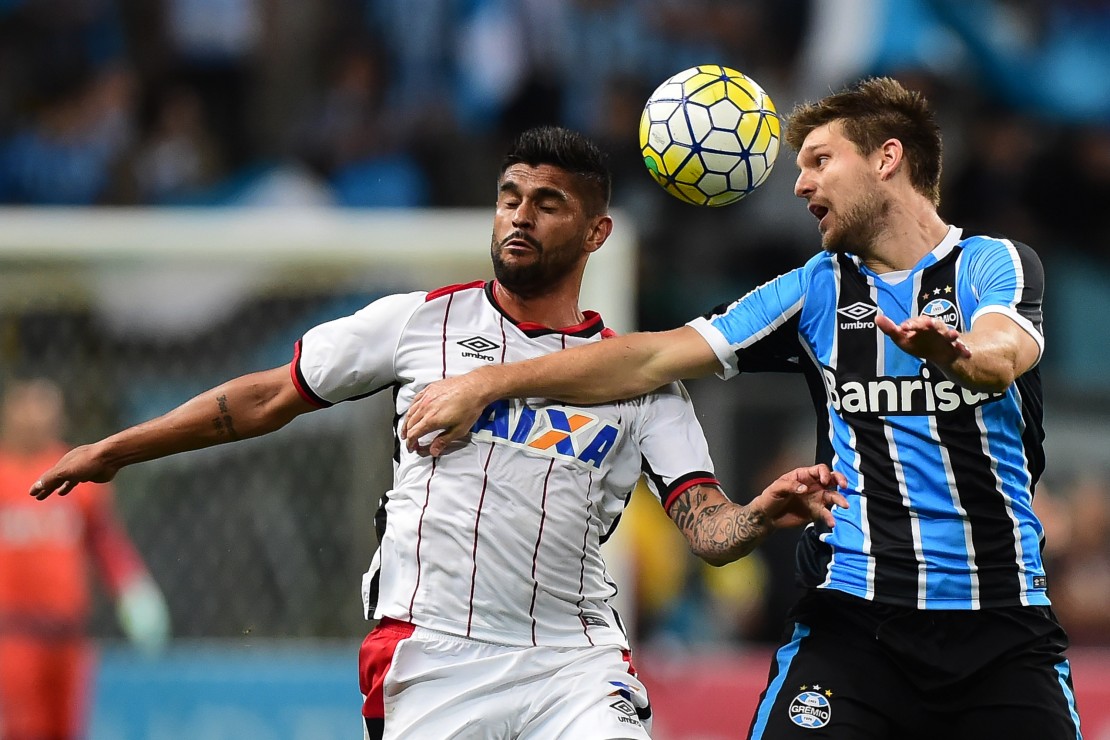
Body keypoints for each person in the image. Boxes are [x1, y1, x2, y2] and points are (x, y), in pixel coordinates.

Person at [29, 126, 848, 740]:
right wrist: (114, 449)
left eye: (548, 202)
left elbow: (703, 523)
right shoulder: (420, 324)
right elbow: (263, 399)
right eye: (509, 197)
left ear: (597, 233)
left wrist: (756, 515)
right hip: (434, 654)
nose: (519, 217)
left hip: (574, 661)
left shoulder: (642, 384)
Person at [401, 80, 1085, 738]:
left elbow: (1004, 353)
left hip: (1002, 625)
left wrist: (958, 356)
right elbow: (648, 358)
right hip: (856, 628)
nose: (800, 184)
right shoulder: (816, 290)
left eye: (820, 160)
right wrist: (492, 382)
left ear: (887, 158)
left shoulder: (993, 263)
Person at [0, 378, 169, 740]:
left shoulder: (77, 472)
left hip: (69, 636)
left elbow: (106, 543)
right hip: (12, 635)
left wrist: (133, 590)